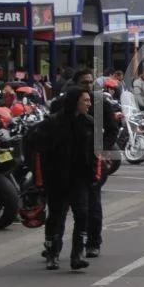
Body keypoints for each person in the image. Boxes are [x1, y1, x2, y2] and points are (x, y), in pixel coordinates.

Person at [49, 69, 120, 258]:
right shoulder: (60, 105)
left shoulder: (100, 104)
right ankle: (53, 246)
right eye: (84, 82)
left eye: (90, 82)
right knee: (59, 209)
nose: (88, 86)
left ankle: (92, 242)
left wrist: (103, 150)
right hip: (65, 166)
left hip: (91, 163)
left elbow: (112, 130)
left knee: (92, 204)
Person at [34, 87, 97, 271]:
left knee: (82, 213)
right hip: (57, 177)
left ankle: (77, 254)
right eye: (85, 100)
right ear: (75, 102)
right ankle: (52, 254)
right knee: (56, 216)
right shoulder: (53, 122)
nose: (89, 104)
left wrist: (95, 174)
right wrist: (40, 179)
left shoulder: (88, 123)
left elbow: (94, 152)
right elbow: (39, 150)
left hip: (80, 177)